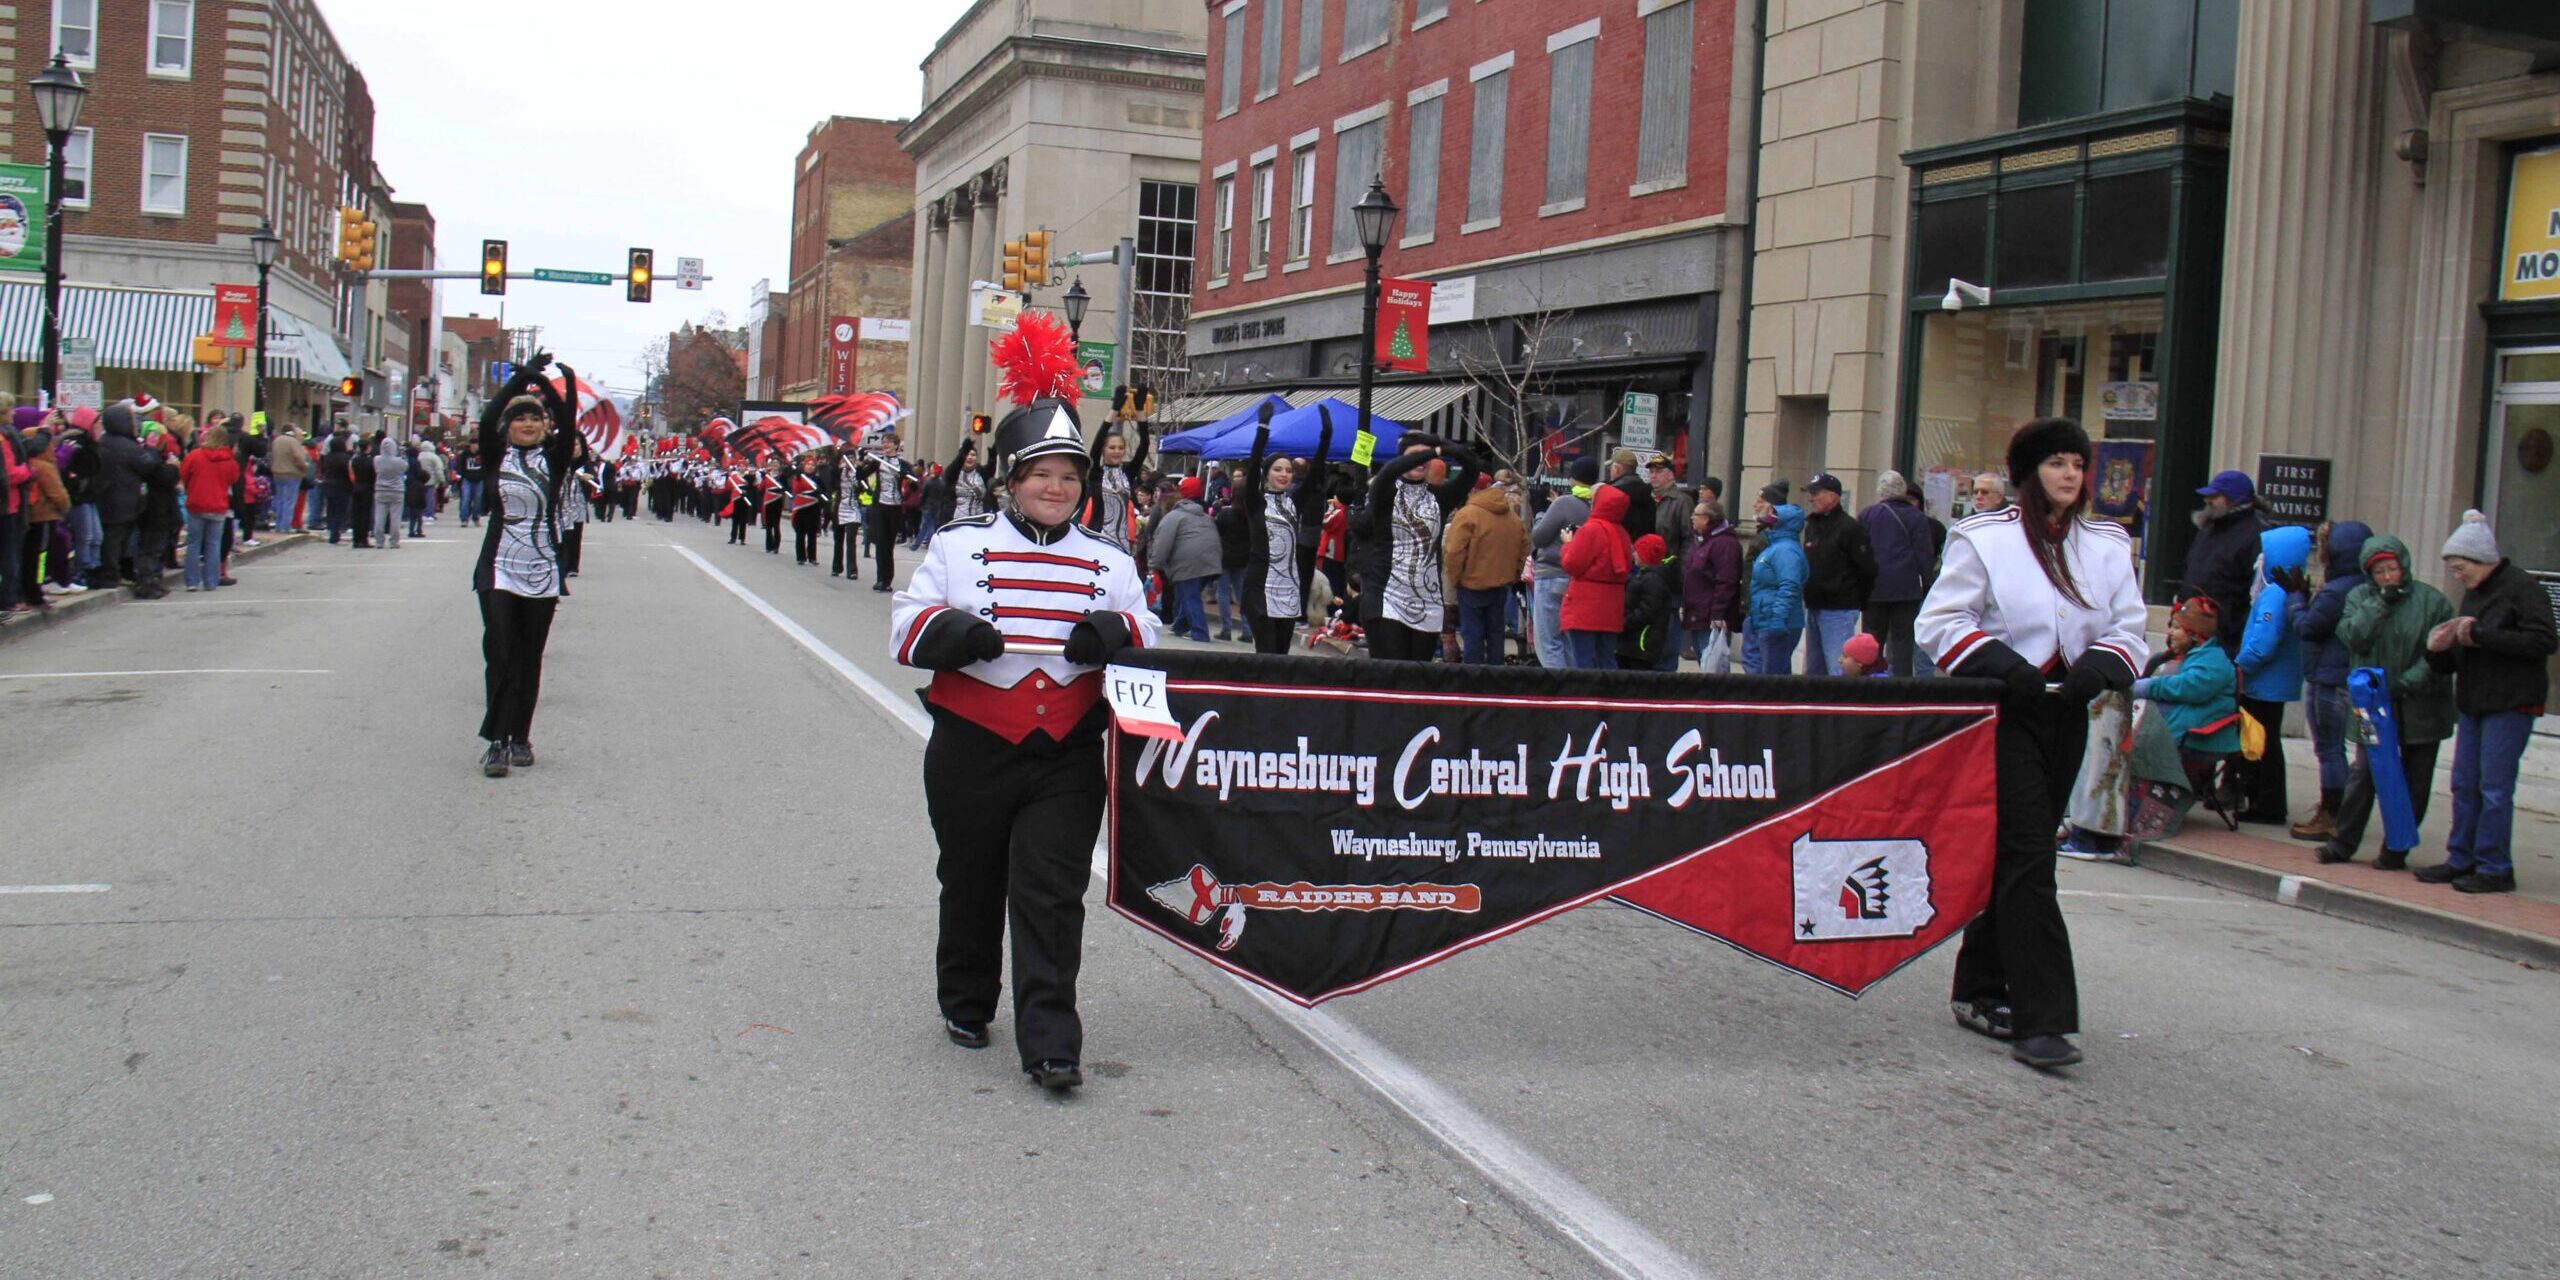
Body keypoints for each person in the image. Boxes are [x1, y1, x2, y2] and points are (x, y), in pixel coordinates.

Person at [890, 396, 1158, 1092]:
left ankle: (1050, 1042)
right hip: (972, 744)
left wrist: (1118, 634)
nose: (1056, 488)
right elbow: (906, 626)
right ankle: (967, 1000)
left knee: (1051, 890)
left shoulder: (1110, 558)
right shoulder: (958, 543)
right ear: (1011, 480)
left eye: (1069, 476)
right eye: (1041, 474)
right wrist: (954, 633)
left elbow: (1148, 634)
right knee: (971, 879)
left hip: (1066, 749)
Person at [1916, 417, 2146, 1071]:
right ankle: (2043, 1020)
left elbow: (2130, 626)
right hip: (2001, 714)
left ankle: (1980, 988)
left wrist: (2100, 666)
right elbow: (1940, 621)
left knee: (2022, 853)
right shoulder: (1983, 538)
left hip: (2067, 715)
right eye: (2055, 463)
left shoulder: (2106, 545)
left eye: (2077, 463)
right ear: (2028, 472)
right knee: (2027, 857)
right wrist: (2002, 664)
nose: (2070, 474)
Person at [2413, 511, 2557, 894]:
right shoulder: (2474, 593)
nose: (2457, 576)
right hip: (2475, 700)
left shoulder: (2522, 588)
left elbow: (2543, 641)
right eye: (2454, 570)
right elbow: (2465, 649)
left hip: (2512, 701)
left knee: (2494, 787)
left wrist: (2480, 635)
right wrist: (2438, 652)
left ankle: (2494, 866)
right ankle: (2461, 857)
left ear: (2481, 560)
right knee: (2464, 783)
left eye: (2461, 568)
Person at [471, 357, 581, 778]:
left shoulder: (552, 459)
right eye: (520, 418)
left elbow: (567, 420)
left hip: (542, 569)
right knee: (500, 652)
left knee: (529, 656)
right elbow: (487, 414)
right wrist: (522, 379)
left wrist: (558, 384)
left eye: (535, 418)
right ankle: (496, 742)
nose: (528, 424)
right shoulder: (495, 454)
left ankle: (520, 736)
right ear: (508, 426)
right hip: (498, 567)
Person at [2320, 534, 2453, 869]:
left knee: (2415, 778)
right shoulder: (2359, 598)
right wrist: (2380, 603)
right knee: (2363, 772)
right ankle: (2343, 841)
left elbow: (2438, 651)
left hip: (2420, 703)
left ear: (2403, 565)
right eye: (2379, 572)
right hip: (2373, 702)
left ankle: (2397, 846)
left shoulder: (2431, 601)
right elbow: (2352, 636)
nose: (2387, 577)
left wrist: (2407, 683)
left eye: (2392, 569)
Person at [1356, 434, 1485, 661]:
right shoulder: (1384, 491)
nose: (1421, 461)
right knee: (1392, 674)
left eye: (1426, 457)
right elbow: (1388, 472)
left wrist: (1445, 447)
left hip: (1427, 601)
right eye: (1413, 456)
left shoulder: (1440, 497)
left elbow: (1472, 468)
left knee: (1418, 678)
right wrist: (1430, 453)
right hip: (1386, 597)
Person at [2290, 520, 2374, 840]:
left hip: (2329, 677)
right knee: (2348, 750)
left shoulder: (2337, 591)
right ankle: (2342, 811)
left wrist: (2296, 600)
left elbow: (2308, 627)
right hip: (2351, 676)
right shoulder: (2365, 586)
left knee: (2329, 748)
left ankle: (2331, 812)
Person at [2231, 524, 2311, 824]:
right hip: (2273, 681)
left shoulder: (2274, 595)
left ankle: (2267, 803)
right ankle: (2268, 801)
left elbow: (2263, 641)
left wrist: (2241, 664)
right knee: (2268, 740)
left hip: (2265, 683)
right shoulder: (2286, 591)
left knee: (2262, 742)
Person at [1237, 404, 1332, 654]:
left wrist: (1325, 436)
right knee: (1266, 654)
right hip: (1261, 590)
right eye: (1277, 469)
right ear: (1266, 474)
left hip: (1289, 590)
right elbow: (1255, 458)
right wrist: (1263, 428)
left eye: (1288, 470)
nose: (1284, 474)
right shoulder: (1255, 501)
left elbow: (1317, 472)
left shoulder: (1294, 501)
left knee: (1281, 656)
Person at [1859, 470, 1945, 676]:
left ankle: (1870, 682)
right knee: (1902, 641)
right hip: (1906, 589)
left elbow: (1860, 551)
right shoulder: (1917, 517)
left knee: (1871, 639)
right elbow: (1924, 554)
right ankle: (1901, 686)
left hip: (1874, 588)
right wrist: (1927, 582)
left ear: (1881, 491)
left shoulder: (1868, 514)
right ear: (1903, 492)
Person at [1444, 474, 1529, 665]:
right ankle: (1495, 682)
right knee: (1496, 635)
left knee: (1472, 635)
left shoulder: (1467, 514)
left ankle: (1474, 684)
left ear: (1472, 490)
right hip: (1501, 585)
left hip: (1471, 584)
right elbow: (1523, 548)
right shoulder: (1512, 517)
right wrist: (1513, 575)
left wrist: (1455, 578)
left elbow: (1454, 552)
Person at [2181, 469, 2267, 656]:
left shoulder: (2254, 534)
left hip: (2226, 641)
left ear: (2234, 499)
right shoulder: (2208, 529)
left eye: (2215, 496)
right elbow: (2190, 568)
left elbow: (2255, 591)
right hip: (2191, 633)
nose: (2207, 500)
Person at [1798, 473, 1875, 675]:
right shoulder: (1812, 526)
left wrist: (1854, 599)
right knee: (1814, 671)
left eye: (1816, 493)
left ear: (1833, 496)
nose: (1811, 498)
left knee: (1838, 668)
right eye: (1810, 493)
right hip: (1814, 606)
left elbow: (1867, 569)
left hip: (1839, 609)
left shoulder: (1850, 528)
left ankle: (1841, 706)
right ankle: (1816, 706)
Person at [1528, 457, 1599, 669]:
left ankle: (1556, 694)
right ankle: (1571, 693)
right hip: (1576, 579)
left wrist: (1541, 512)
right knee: (1568, 643)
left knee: (1548, 642)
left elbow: (1539, 537)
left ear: (1572, 478)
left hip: (1551, 576)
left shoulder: (1564, 503)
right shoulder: (1596, 504)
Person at [1559, 483, 1633, 670]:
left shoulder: (1590, 529)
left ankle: (1585, 698)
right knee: (1606, 659)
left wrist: (1568, 543)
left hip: (1585, 604)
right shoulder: (1623, 533)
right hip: (1611, 605)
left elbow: (1572, 564)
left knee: (1582, 661)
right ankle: (1608, 697)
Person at [1148, 475, 1220, 643]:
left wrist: (1154, 566)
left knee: (1190, 596)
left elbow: (1162, 543)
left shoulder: (1173, 517)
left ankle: (1200, 632)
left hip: (1188, 562)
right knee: (1188, 593)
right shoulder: (1204, 516)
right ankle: (1180, 625)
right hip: (1211, 560)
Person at [92, 404, 152, 588]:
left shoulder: (103, 442)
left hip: (108, 497)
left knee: (112, 538)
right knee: (116, 539)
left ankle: (112, 572)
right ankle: (111, 575)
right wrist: (151, 450)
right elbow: (147, 466)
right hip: (123, 498)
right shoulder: (128, 446)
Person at [1681, 499, 1744, 673]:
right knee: (1704, 660)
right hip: (1696, 612)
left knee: (1713, 664)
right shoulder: (1700, 540)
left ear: (1707, 519)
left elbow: (1727, 580)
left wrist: (1718, 613)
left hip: (1711, 615)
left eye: (1696, 515)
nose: (1692, 518)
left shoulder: (1724, 544)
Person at [1744, 503, 1807, 675]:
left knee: (1774, 677)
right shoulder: (1776, 547)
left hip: (1776, 622)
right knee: (1768, 672)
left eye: (1773, 519)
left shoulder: (1785, 551)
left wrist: (1778, 618)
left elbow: (1790, 585)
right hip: (1766, 617)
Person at [179, 422, 240, 592]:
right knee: (213, 544)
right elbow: (233, 480)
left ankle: (191, 581)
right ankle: (211, 581)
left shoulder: (194, 455)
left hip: (196, 503)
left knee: (194, 544)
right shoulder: (230, 460)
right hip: (218, 505)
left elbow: (183, 474)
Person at [856, 435, 915, 591]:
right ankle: (880, 579)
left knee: (889, 545)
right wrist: (861, 461)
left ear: (896, 445)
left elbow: (914, 481)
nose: (886, 445)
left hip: (895, 508)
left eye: (889, 442)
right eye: (884, 443)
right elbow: (860, 476)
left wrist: (905, 476)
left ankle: (888, 580)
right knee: (880, 543)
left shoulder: (902, 464)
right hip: (880, 506)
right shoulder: (878, 462)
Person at [1617, 532, 1680, 672]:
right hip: (1636, 643)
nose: (1633, 555)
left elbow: (1647, 611)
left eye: (1637, 552)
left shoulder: (1652, 580)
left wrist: (1624, 623)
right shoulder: (1646, 577)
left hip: (1641, 643)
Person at [268, 423, 310, 532]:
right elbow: (298, 457)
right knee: (289, 501)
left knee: (280, 500)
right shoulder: (293, 442)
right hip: (291, 473)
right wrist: (305, 466)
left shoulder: (276, 440)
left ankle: (279, 525)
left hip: (277, 473)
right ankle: (286, 526)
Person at [370, 435, 409, 551]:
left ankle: (379, 540)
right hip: (397, 490)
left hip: (381, 489)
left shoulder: (376, 460)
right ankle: (394, 541)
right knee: (395, 517)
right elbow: (405, 467)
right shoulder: (399, 461)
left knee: (379, 516)